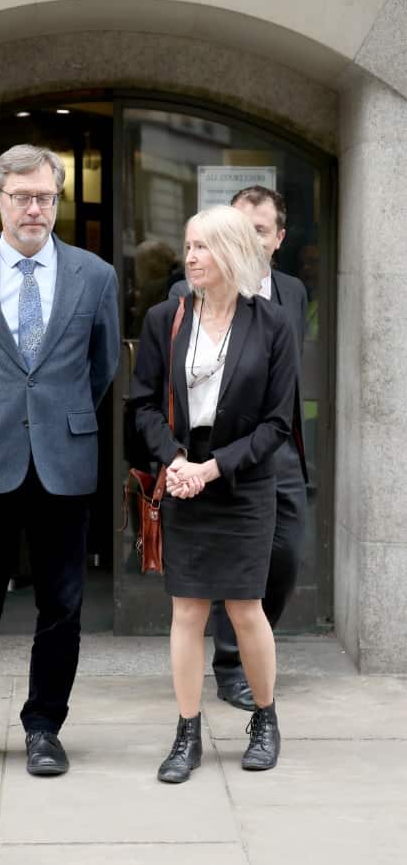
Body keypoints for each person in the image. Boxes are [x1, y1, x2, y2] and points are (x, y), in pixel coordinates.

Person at [0, 144, 120, 777]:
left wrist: (52, 418)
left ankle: (43, 727)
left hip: (64, 460)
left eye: (47, 197)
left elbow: (102, 368)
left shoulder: (96, 275)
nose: (37, 209)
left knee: (62, 604)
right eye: (25, 197)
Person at [131, 205, 298, 780]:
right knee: (187, 611)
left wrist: (213, 468)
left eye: (202, 246)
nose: (190, 257)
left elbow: (278, 424)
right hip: (182, 477)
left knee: (246, 608)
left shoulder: (272, 324)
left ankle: (265, 719)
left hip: (244, 481)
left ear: (230, 252)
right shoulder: (165, 318)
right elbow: (144, 404)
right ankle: (186, 733)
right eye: (188, 245)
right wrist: (176, 460)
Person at [169, 185, 308, 711]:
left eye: (260, 230)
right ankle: (230, 666)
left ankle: (251, 655)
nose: (249, 238)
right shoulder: (183, 301)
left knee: (286, 555)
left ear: (277, 239)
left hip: (279, 445)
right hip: (212, 452)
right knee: (206, 592)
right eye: (239, 228)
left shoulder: (291, 292)